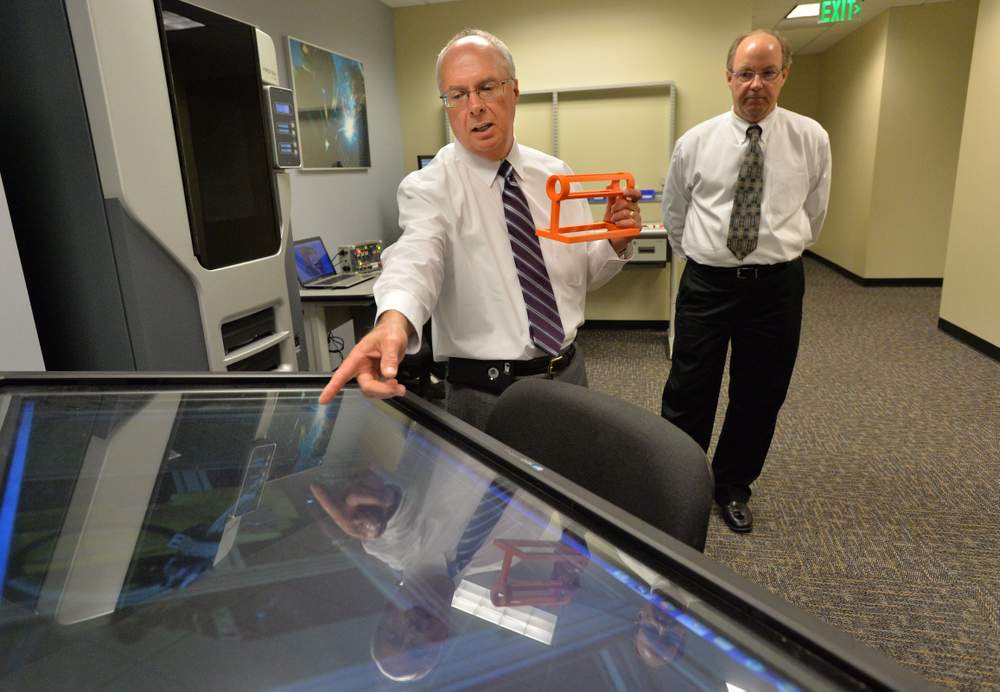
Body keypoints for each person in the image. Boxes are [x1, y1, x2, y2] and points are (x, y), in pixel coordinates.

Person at [319, 29, 642, 430]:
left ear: (514, 91)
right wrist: (393, 322)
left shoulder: (555, 175)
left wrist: (614, 244)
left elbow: (579, 276)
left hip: (569, 376)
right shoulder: (429, 187)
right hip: (485, 395)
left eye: (487, 87)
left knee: (573, 472)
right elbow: (416, 258)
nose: (474, 106)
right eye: (457, 95)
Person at [660, 29, 831, 534]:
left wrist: (776, 252)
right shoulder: (695, 143)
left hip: (776, 288)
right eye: (745, 73)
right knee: (690, 388)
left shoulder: (811, 138)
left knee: (760, 392)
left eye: (768, 73)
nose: (756, 84)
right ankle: (676, 482)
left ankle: (732, 484)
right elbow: (675, 214)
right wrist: (705, 257)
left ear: (784, 75)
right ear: (728, 77)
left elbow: (814, 213)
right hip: (707, 285)